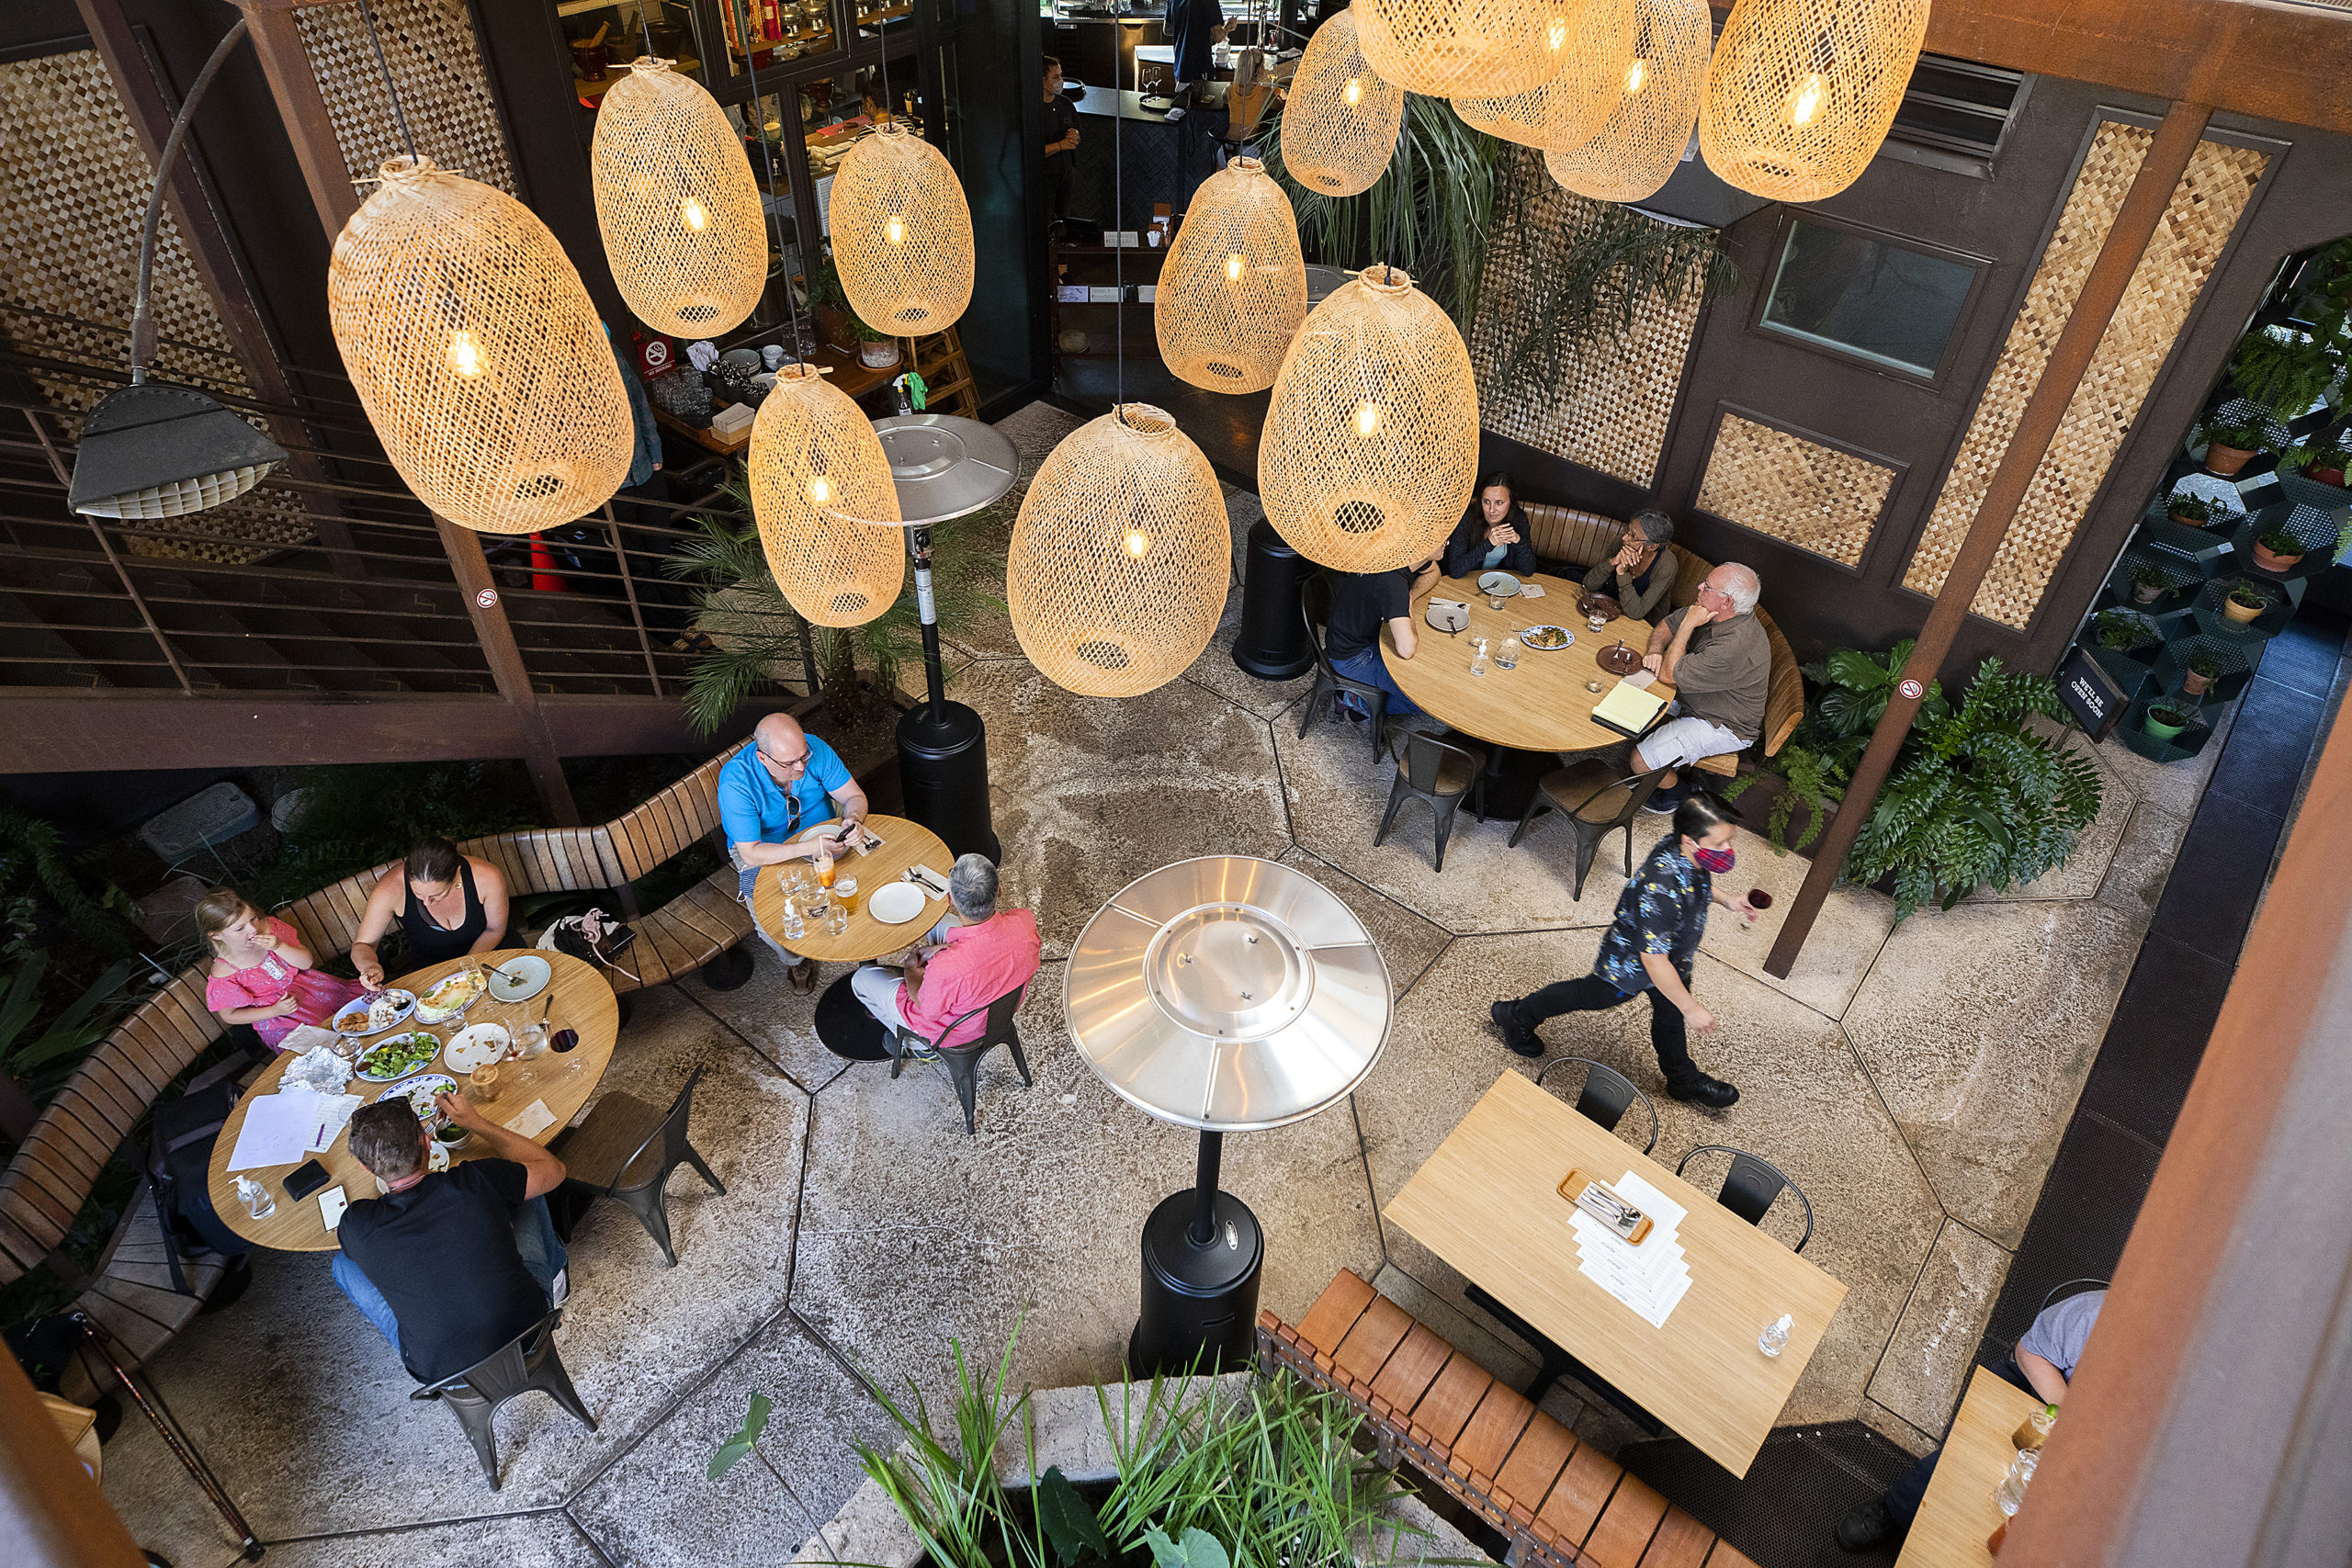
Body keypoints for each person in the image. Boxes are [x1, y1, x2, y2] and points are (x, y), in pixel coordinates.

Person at [1489, 794, 1747, 1109]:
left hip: (1673, 957)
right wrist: (1691, 1008)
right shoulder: (1661, 889)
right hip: (1631, 965)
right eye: (1720, 844)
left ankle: (1682, 1079)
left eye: (1730, 841)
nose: (1727, 850)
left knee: (1670, 1015)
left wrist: (1727, 900)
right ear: (1690, 841)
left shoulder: (1682, 850)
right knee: (1588, 995)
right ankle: (1516, 1016)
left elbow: (1693, 882)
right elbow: (1653, 961)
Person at [1837, 1290, 2107, 1552]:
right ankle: (1896, 1508)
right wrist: (2073, 1419)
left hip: (2088, 1433)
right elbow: (2029, 1353)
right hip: (2035, 1384)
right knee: (1965, 1452)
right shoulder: (2094, 1315)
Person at [332, 1094, 570, 1385]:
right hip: (529, 1335)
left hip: (443, 1375)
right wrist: (477, 1123)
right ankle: (557, 1275)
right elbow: (554, 1170)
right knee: (524, 1187)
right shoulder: (477, 1180)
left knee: (342, 1265)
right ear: (427, 1142)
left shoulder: (356, 1224)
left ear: (366, 1168)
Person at [718, 711, 870, 993]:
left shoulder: (815, 748)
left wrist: (853, 819)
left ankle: (865, 948)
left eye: (804, 756)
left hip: (822, 831)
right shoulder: (736, 782)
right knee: (772, 926)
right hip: (765, 849)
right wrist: (810, 847)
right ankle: (796, 960)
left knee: (866, 880)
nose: (800, 767)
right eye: (789, 764)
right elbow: (750, 853)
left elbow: (854, 796)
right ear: (763, 758)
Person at [853, 853, 1042, 1051]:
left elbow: (927, 1008)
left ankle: (915, 1045)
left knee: (861, 979)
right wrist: (945, 949)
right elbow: (987, 945)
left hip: (958, 1031)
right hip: (998, 1010)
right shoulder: (1025, 921)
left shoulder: (945, 968)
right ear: (1000, 890)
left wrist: (910, 970)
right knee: (939, 923)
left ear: (950, 899)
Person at [1634, 562, 1770, 814]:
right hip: (1695, 696)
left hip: (1721, 723)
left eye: (1707, 586)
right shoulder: (1712, 611)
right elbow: (1666, 625)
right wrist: (1654, 650)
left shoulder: (1733, 647)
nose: (1699, 587)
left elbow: (1668, 675)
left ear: (1726, 601)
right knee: (1627, 689)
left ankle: (1685, 795)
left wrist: (1687, 625)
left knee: (1641, 762)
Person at [198, 887, 362, 1050]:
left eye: (253, 919)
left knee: (360, 1017)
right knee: (324, 1048)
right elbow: (229, 1015)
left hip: (317, 992)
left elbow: (306, 963)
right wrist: (274, 1010)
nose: (253, 929)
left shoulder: (270, 929)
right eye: (240, 928)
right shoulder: (225, 973)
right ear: (216, 935)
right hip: (284, 1020)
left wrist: (278, 946)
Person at [350, 838, 512, 990]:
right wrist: (369, 966)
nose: (427, 902)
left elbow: (494, 930)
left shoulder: (486, 876)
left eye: (437, 895)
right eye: (418, 894)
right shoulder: (391, 888)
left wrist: (465, 967)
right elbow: (362, 944)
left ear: (457, 873)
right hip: (433, 975)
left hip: (494, 958)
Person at [1322, 556, 1441, 720]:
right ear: (1425, 548)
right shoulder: (1393, 582)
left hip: (1357, 637)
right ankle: (1353, 702)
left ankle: (1361, 697)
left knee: (1427, 662)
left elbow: (1434, 572)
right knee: (1423, 699)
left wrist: (1409, 598)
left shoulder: (1395, 556)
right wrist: (1406, 609)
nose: (1447, 544)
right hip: (1351, 658)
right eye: (1441, 542)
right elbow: (1407, 650)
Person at [1582, 509, 1679, 622]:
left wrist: (1622, 574)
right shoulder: (1621, 543)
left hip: (1642, 624)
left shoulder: (1667, 565)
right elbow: (1588, 585)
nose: (1624, 538)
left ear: (1652, 546)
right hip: (1606, 610)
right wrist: (1612, 563)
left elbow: (1636, 612)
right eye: (1628, 531)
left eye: (1633, 536)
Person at [1442, 473, 1537, 580]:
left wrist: (1519, 542)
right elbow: (1455, 570)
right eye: (1486, 502)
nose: (1491, 510)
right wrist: (1488, 544)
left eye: (1499, 503)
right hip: (1467, 582)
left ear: (1511, 502)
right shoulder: (1467, 518)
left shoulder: (1519, 519)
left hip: (1501, 583)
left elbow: (1528, 571)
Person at [1042, 57, 1080, 223]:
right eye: (1055, 77)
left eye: (1061, 76)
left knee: (1063, 220)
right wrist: (1060, 145)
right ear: (1042, 80)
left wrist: (1075, 136)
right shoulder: (1032, 109)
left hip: (1065, 176)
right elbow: (1031, 152)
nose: (1061, 81)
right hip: (1044, 180)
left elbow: (1077, 133)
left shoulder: (1066, 104)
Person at [1165, 0, 1227, 102]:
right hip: (1199, 70)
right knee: (1202, 109)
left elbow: (1167, 29)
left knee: (1184, 106)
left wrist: (1189, 28)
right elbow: (1218, 36)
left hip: (1180, 69)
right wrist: (1229, 26)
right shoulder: (1209, 2)